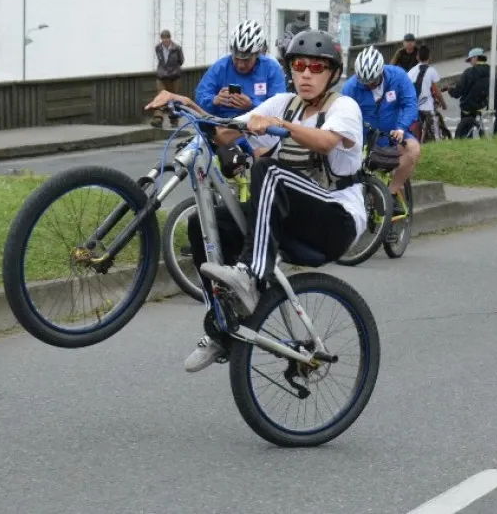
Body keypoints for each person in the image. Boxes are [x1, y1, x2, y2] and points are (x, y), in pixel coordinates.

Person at [144, 30, 366, 373]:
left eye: (317, 67)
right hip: (292, 218)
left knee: (269, 169)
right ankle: (222, 326)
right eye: (300, 65)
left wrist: (280, 126)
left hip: (336, 221)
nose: (306, 74)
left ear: (333, 73)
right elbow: (224, 131)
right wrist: (184, 103)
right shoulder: (283, 104)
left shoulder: (343, 107)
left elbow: (324, 142)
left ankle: (251, 274)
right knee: (205, 224)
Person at [342, 45, 420, 203]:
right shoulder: (350, 87)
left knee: (413, 150)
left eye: (373, 81)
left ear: (381, 72)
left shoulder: (398, 76)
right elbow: (343, 115)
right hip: (366, 138)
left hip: (394, 133)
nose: (369, 85)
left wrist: (401, 128)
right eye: (365, 82)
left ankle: (390, 194)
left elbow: (410, 104)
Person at [194, 19, 286, 119]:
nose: (240, 65)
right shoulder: (220, 67)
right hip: (221, 124)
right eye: (236, 58)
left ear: (257, 54)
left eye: (246, 60)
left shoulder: (272, 69)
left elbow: (279, 108)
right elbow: (200, 96)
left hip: (256, 128)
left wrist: (252, 105)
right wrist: (214, 100)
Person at [449, 47, 497, 138]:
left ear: (475, 58)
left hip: (472, 106)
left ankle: (465, 136)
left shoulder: (468, 72)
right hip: (490, 104)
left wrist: (450, 90)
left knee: (466, 112)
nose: (470, 63)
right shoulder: (492, 70)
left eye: (470, 60)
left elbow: (458, 92)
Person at [406, 44, 448, 142]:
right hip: (427, 109)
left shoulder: (410, 72)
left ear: (417, 57)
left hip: (413, 109)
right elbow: (437, 93)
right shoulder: (431, 71)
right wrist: (444, 104)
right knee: (435, 137)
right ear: (430, 58)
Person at [152, 29, 184, 128]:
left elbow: (181, 60)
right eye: (163, 38)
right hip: (162, 76)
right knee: (160, 97)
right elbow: (160, 60)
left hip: (174, 77)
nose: (165, 40)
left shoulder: (177, 48)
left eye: (167, 38)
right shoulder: (158, 48)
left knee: (173, 99)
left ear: (170, 38)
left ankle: (174, 119)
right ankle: (158, 118)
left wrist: (173, 69)